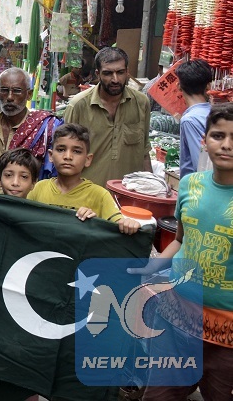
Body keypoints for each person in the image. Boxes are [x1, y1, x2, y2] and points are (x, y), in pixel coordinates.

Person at [135, 103, 233, 401]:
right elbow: (180, 240)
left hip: (226, 333)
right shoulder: (190, 185)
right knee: (159, 395)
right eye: (218, 135)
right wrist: (147, 272)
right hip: (176, 317)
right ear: (204, 140)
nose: (226, 145)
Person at [27, 124, 141, 234]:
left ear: (88, 159)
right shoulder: (38, 188)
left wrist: (127, 224)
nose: (68, 157)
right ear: (51, 156)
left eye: (76, 151)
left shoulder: (100, 195)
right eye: (61, 149)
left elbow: (119, 224)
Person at [62, 47, 151, 187]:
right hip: (87, 194)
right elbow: (65, 157)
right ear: (98, 74)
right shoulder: (78, 106)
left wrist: (152, 187)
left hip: (128, 194)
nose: (115, 79)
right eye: (108, 73)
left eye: (120, 72)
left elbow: (144, 151)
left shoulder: (141, 103)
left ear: (127, 72)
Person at [0, 67, 62, 188]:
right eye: (4, 90)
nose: (10, 97)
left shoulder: (44, 130)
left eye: (17, 91)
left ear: (29, 94)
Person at [176, 59, 213, 177]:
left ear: (179, 86)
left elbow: (201, 164)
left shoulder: (190, 120)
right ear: (208, 86)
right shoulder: (214, 111)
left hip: (197, 183)